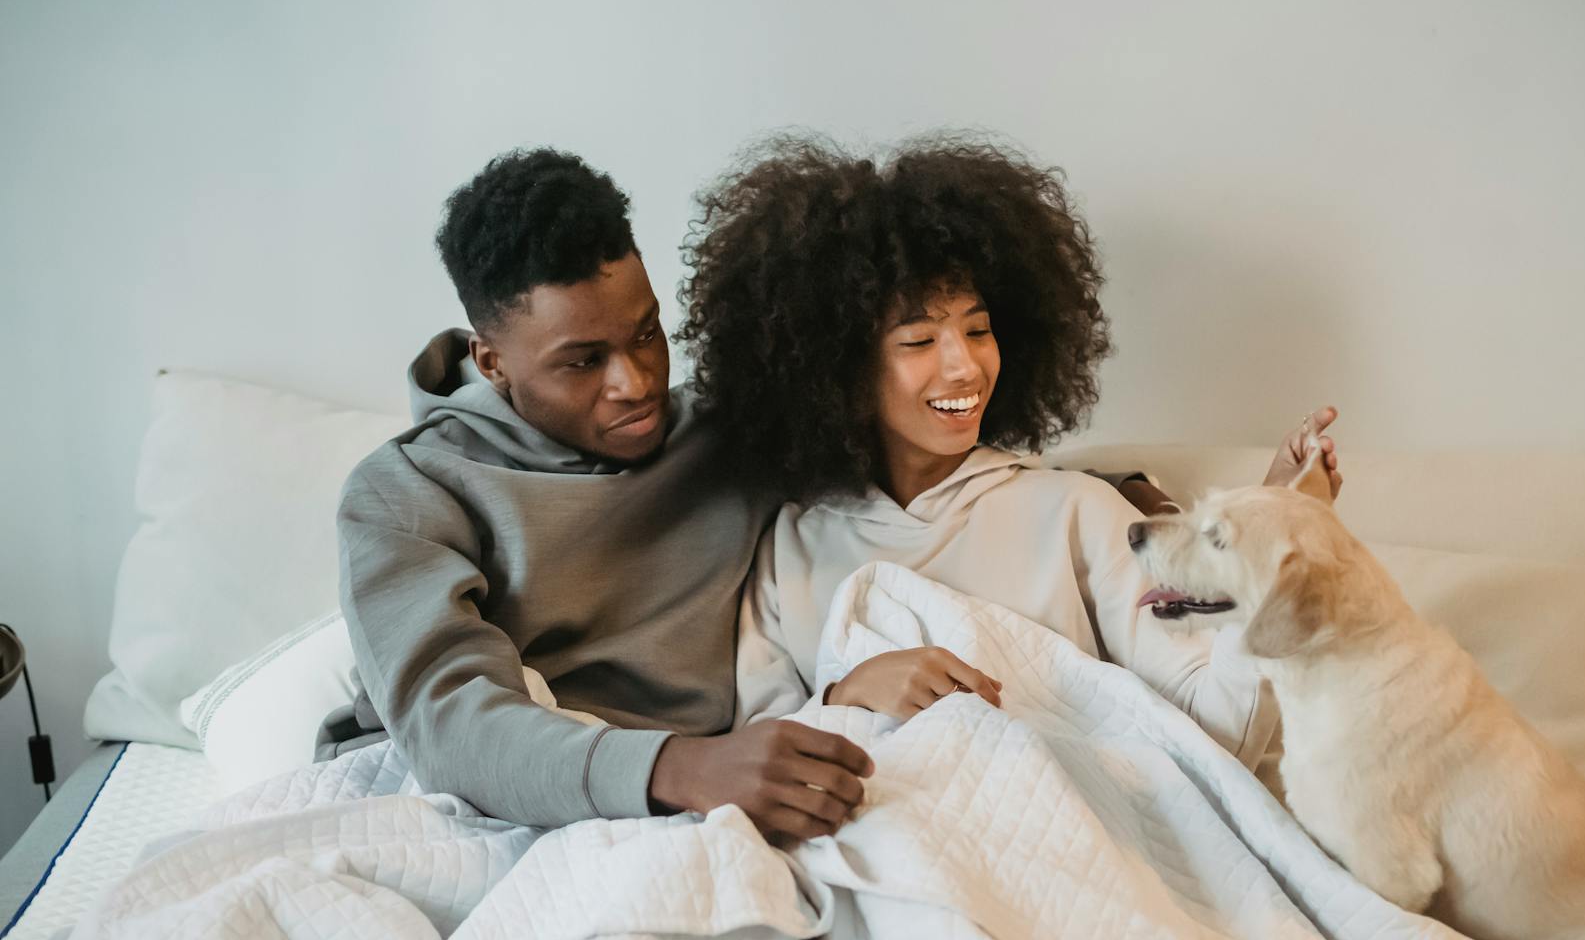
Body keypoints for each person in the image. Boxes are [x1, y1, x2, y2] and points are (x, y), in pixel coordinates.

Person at [680, 136, 1339, 758]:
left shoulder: (1080, 514)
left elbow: (1220, 732)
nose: (964, 367)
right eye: (919, 342)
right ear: (840, 371)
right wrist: (847, 693)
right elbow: (759, 765)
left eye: (978, 331)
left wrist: (1267, 538)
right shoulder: (790, 546)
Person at [324, 148, 875, 839]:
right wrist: (684, 769)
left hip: (712, 784)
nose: (636, 381)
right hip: (489, 793)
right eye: (583, 361)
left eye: (646, 333)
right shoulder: (407, 490)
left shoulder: (729, 433)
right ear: (491, 361)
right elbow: (449, 723)